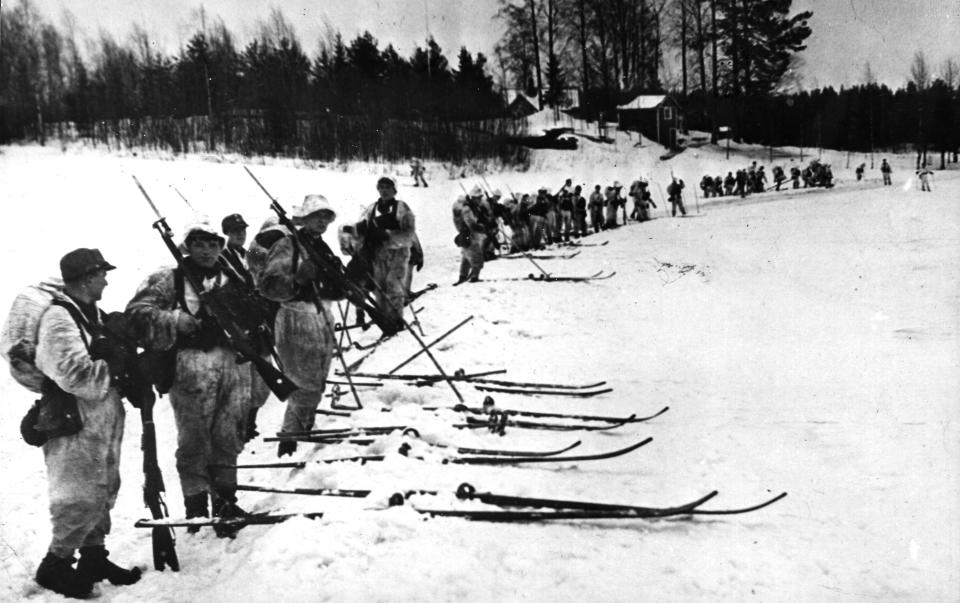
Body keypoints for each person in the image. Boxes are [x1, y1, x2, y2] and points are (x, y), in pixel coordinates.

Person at [126, 220, 254, 536]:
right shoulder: (169, 279)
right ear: (188, 246)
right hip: (190, 365)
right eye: (199, 243)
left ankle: (225, 501)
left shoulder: (232, 277)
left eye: (213, 244)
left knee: (228, 435)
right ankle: (195, 507)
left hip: (230, 364)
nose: (207, 250)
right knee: (195, 439)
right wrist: (174, 319)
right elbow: (136, 314)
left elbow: (254, 313)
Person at [31, 249, 141, 598]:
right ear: (86, 277)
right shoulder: (59, 319)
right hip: (75, 417)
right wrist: (114, 364)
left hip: (101, 413)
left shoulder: (90, 314)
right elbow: (74, 375)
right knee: (79, 493)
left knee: (104, 486)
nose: (106, 280)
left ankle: (94, 557)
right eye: (101, 274)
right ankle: (55, 565)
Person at [258, 195, 344, 457]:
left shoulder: (321, 246)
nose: (322, 221)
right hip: (295, 318)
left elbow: (334, 286)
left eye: (326, 217)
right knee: (302, 381)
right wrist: (296, 279)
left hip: (320, 315)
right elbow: (269, 285)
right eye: (316, 216)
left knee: (316, 380)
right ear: (304, 219)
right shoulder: (288, 245)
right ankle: (290, 439)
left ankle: (302, 429)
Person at [221, 212, 270, 442]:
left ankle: (251, 421)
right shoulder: (221, 257)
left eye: (242, 231)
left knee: (261, 382)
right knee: (244, 380)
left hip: (257, 318)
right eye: (234, 231)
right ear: (226, 234)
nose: (240, 235)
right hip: (239, 322)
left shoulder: (248, 252)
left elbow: (266, 260)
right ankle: (243, 426)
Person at [356, 177, 417, 331]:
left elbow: (409, 234)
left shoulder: (402, 208)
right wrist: (360, 233)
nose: (384, 191)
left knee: (393, 285)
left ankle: (396, 321)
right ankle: (386, 323)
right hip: (378, 255)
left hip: (398, 254)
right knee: (380, 288)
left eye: (387, 187)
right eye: (381, 187)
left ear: (394, 190)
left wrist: (388, 235)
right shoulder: (371, 209)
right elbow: (361, 231)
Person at [452, 185, 493, 283]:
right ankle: (474, 277)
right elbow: (471, 223)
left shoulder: (473, 207)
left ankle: (463, 276)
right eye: (478, 198)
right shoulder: (467, 209)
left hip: (468, 235)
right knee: (477, 257)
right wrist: (482, 228)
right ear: (474, 198)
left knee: (466, 257)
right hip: (469, 235)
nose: (480, 200)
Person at [220, 213, 254, 287]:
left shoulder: (249, 255)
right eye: (236, 230)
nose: (241, 233)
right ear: (227, 233)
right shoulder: (222, 257)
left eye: (243, 229)